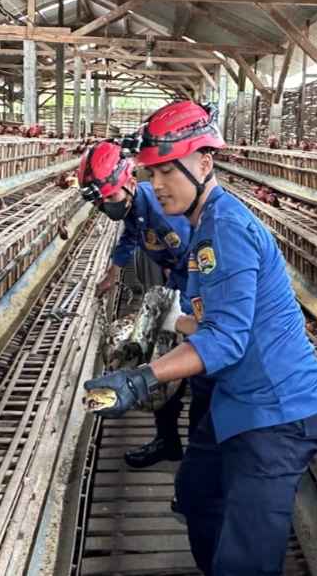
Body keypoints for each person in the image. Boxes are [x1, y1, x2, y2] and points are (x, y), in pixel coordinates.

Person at [83, 101, 317, 576]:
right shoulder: (203, 224)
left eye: (166, 172)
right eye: (150, 174)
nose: (156, 186)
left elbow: (225, 341)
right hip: (237, 400)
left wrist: (142, 378)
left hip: (277, 415)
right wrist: (167, 323)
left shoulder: (226, 230)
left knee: (247, 559)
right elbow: (208, 320)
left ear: (204, 162)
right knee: (197, 497)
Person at [76, 140, 201, 468]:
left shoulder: (164, 211)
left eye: (112, 197)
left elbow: (194, 259)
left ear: (130, 182)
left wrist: (181, 307)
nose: (108, 206)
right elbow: (130, 237)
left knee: (192, 371)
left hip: (194, 294)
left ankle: (199, 456)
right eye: (102, 202)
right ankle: (168, 441)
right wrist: (113, 273)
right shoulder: (136, 208)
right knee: (161, 359)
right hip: (171, 288)